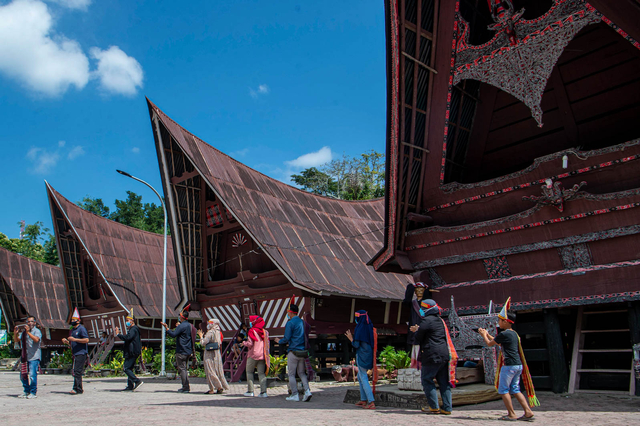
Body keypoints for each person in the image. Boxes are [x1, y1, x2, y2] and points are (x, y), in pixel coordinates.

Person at [479, 297, 538, 421]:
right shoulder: (513, 334)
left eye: (500, 321)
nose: (498, 323)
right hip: (517, 365)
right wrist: (488, 335)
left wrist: (484, 335)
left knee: (503, 390)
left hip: (509, 366)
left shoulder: (504, 334)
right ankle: (528, 412)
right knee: (515, 389)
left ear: (506, 322)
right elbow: (498, 342)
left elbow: (490, 344)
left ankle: (511, 414)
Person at [410, 299, 457, 415]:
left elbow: (417, 339)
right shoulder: (440, 320)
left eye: (422, 308)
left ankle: (434, 407)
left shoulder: (426, 321)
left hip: (431, 355)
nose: (421, 310)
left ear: (426, 309)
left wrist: (416, 331)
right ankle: (447, 408)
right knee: (443, 382)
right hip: (444, 354)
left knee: (427, 380)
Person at [278, 301, 312, 402]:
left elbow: (286, 338)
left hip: (293, 351)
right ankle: (307, 391)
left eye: (288, 312)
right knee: (302, 373)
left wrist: (279, 341)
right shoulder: (302, 322)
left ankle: (295, 394)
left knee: (291, 374)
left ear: (291, 312)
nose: (288, 314)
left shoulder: (290, 323)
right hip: (302, 350)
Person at [345, 310, 377, 410]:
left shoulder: (360, 328)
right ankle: (363, 399)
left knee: (363, 378)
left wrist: (350, 338)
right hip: (368, 354)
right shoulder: (368, 326)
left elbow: (356, 344)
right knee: (360, 377)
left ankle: (371, 401)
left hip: (362, 355)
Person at [161, 306, 195, 393]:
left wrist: (167, 328)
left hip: (181, 350)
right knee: (184, 369)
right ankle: (186, 386)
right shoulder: (189, 325)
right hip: (188, 350)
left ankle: (185, 387)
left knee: (182, 369)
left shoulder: (182, 326)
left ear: (181, 317)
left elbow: (173, 334)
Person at [197, 318, 229, 395]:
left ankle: (215, 387)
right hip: (216, 352)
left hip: (209, 353)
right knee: (217, 369)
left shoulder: (210, 332)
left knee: (210, 370)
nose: (209, 324)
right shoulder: (218, 332)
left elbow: (203, 343)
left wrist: (201, 336)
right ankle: (221, 386)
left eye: (211, 323)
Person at [62, 308, 89, 395]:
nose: (73, 321)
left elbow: (86, 340)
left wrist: (75, 339)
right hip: (75, 353)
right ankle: (77, 388)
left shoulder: (81, 329)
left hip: (81, 353)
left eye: (74, 320)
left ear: (78, 320)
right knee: (75, 371)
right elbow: (72, 343)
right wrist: (67, 342)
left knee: (77, 371)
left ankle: (78, 389)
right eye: (72, 320)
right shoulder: (72, 331)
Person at [14, 316, 42, 399]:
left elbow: (36, 340)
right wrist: (15, 333)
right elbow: (16, 340)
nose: (30, 323)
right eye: (28, 322)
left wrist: (29, 332)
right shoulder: (23, 333)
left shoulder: (37, 331)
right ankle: (26, 391)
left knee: (32, 375)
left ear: (35, 323)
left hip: (34, 356)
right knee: (23, 375)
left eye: (31, 321)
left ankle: (33, 392)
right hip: (25, 356)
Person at [115, 310, 143, 391]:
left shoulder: (134, 329)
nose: (126, 322)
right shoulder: (132, 329)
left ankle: (137, 381)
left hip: (132, 352)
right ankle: (130, 385)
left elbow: (128, 338)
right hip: (131, 351)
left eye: (128, 320)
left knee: (126, 368)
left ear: (132, 321)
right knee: (129, 368)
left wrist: (118, 334)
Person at [243, 315, 270, 397]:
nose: (250, 323)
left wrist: (244, 343)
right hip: (262, 355)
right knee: (261, 373)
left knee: (249, 372)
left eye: (251, 321)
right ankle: (263, 392)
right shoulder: (265, 332)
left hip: (253, 354)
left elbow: (250, 343)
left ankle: (250, 391)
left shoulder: (252, 331)